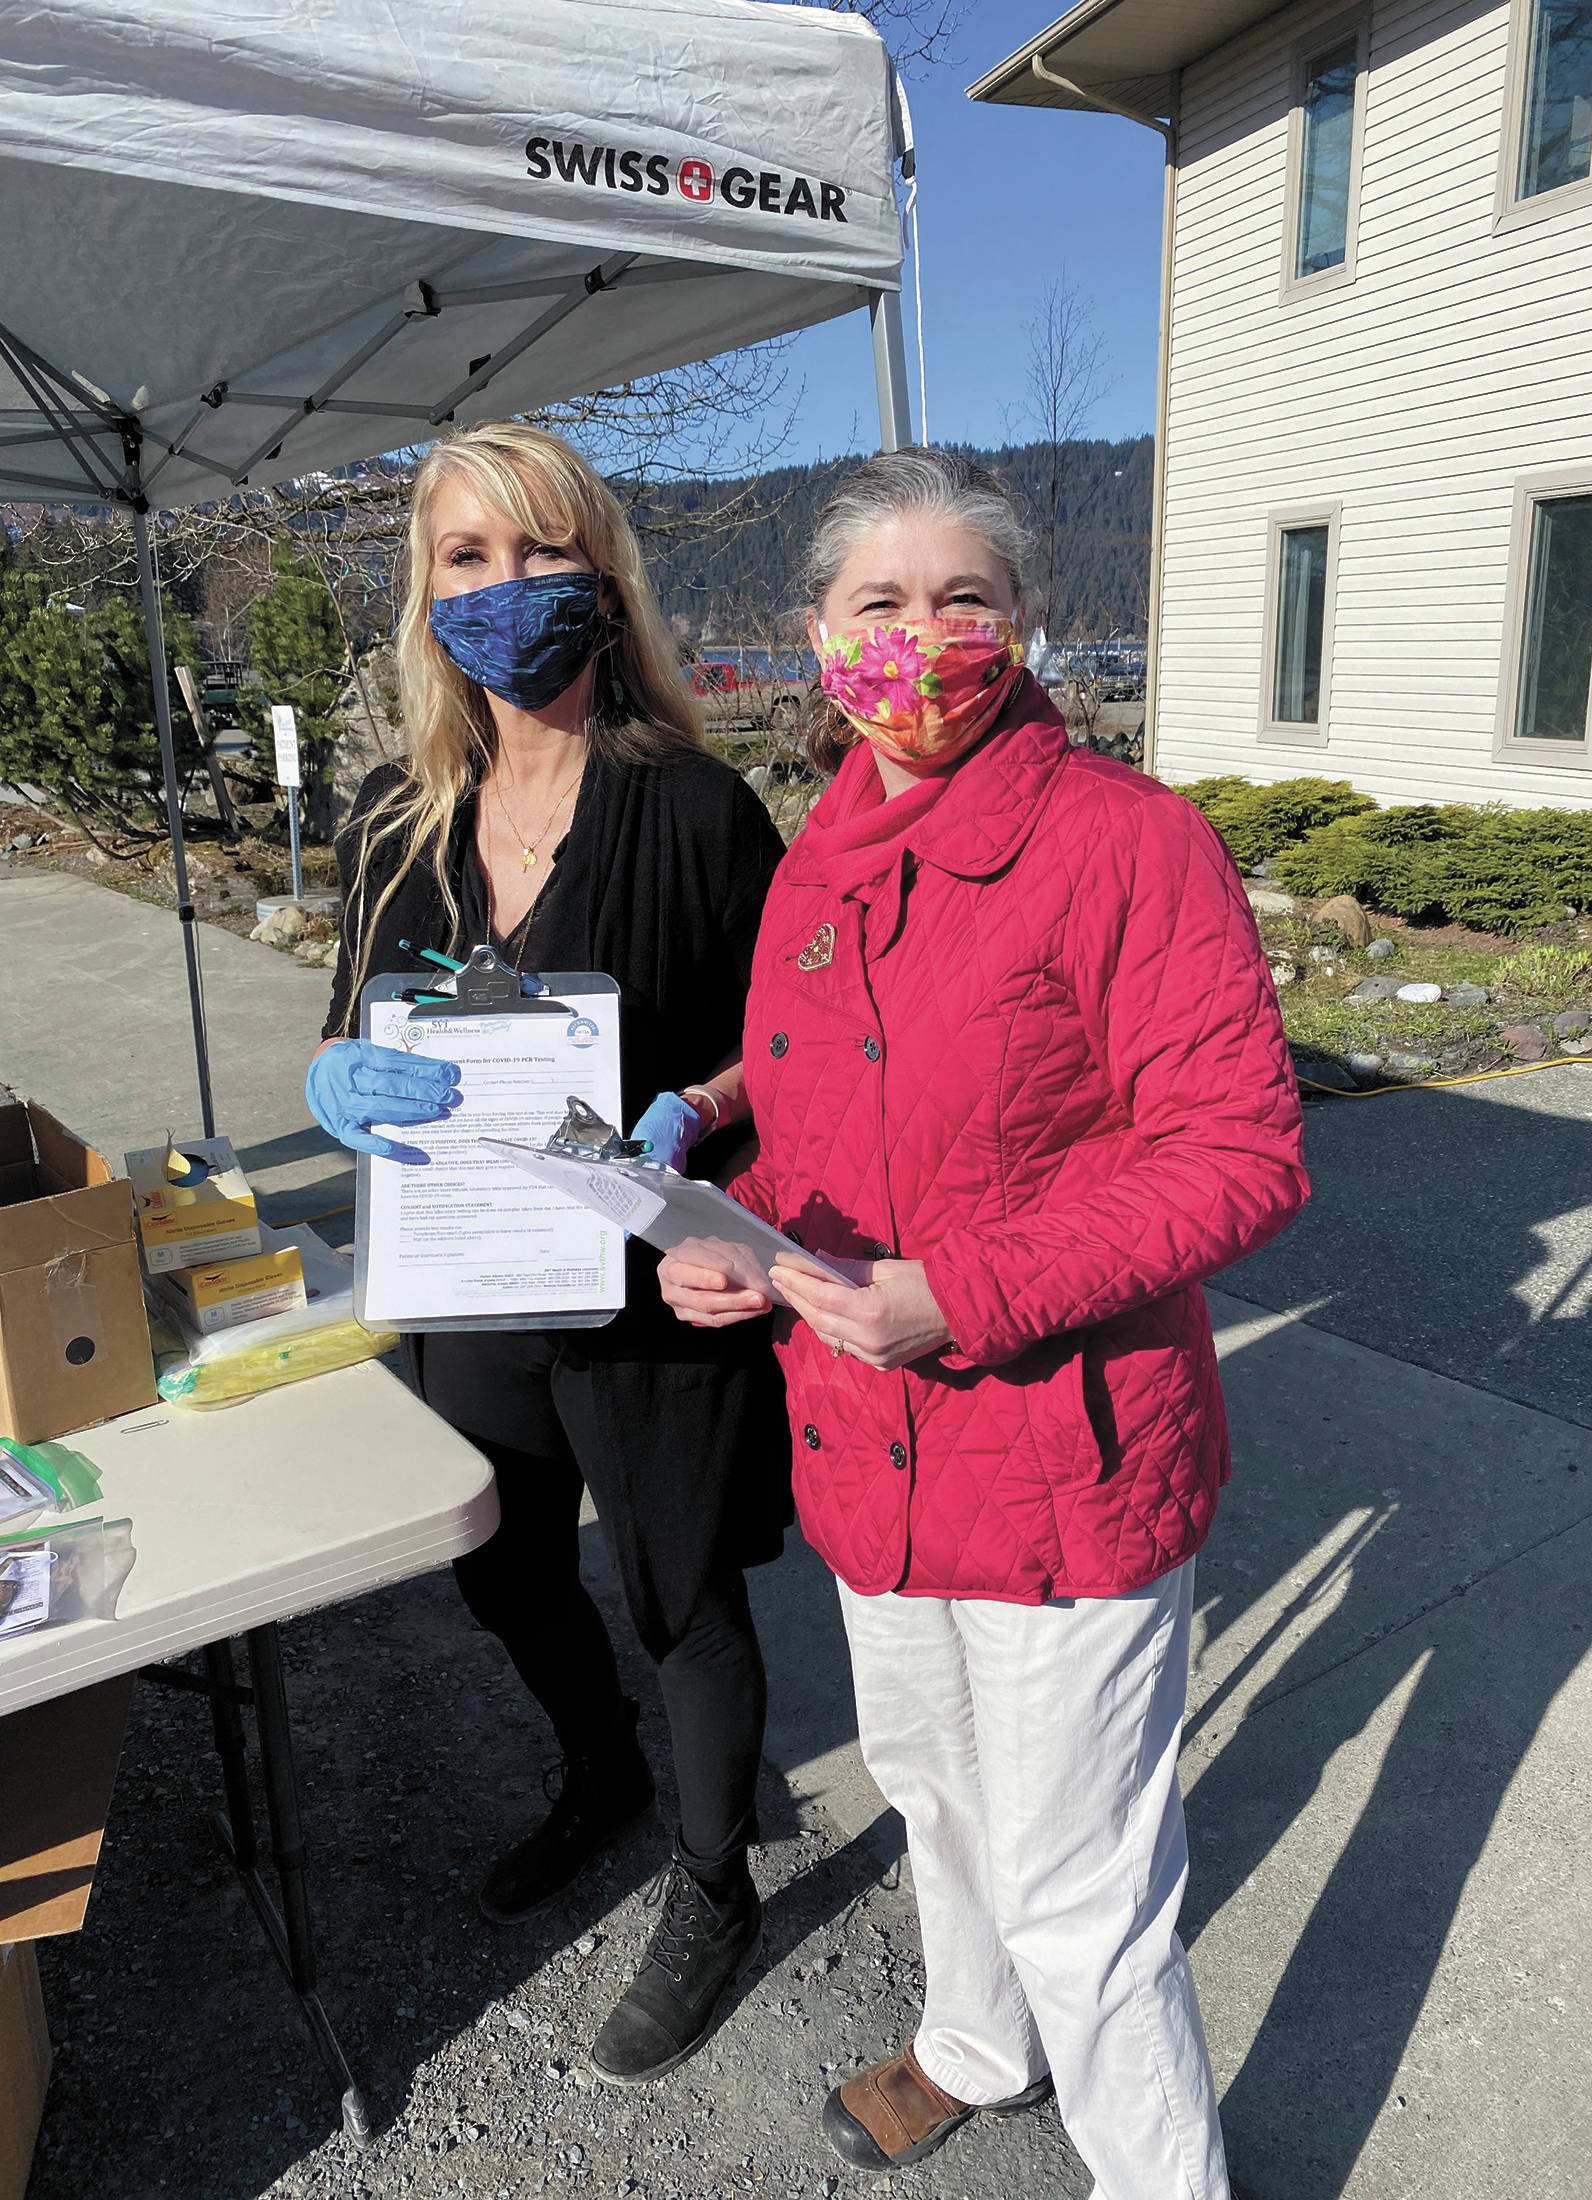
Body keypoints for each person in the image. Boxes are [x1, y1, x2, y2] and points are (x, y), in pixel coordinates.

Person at [659, 448, 1308, 2195]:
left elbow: (1239, 1156)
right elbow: (816, 1135)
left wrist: (961, 1293)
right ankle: (969, 2044)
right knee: (929, 1795)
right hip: (868, 1447)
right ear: (814, 636)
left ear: (1024, 628)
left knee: (1078, 1885)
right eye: (880, 603)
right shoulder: (815, 867)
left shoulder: (1126, 844)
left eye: (966, 601)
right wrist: (733, 1239)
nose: (922, 638)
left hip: (1060, 1456)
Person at [307, 420, 790, 2084]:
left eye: (538, 551)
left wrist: (697, 1105)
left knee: (678, 1590)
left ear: (602, 574)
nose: (505, 588)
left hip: (646, 1277)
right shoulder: (394, 817)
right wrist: (335, 1077)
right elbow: (351, 1025)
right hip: (470, 1271)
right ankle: (599, 1773)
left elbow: (790, 1044)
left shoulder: (700, 806)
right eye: (466, 557)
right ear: (424, 594)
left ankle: (714, 1887)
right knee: (502, 1562)